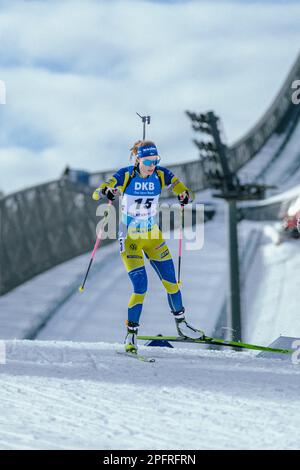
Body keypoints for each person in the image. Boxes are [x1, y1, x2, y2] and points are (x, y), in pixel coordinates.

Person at [92, 140, 204, 353]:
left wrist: (185, 195)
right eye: (148, 161)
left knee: (172, 282)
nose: (152, 165)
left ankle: (182, 325)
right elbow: (97, 192)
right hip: (131, 238)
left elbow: (185, 190)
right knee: (140, 287)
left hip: (153, 236)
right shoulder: (126, 175)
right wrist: (106, 191)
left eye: (155, 160)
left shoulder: (161, 175)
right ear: (138, 159)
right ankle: (131, 335)